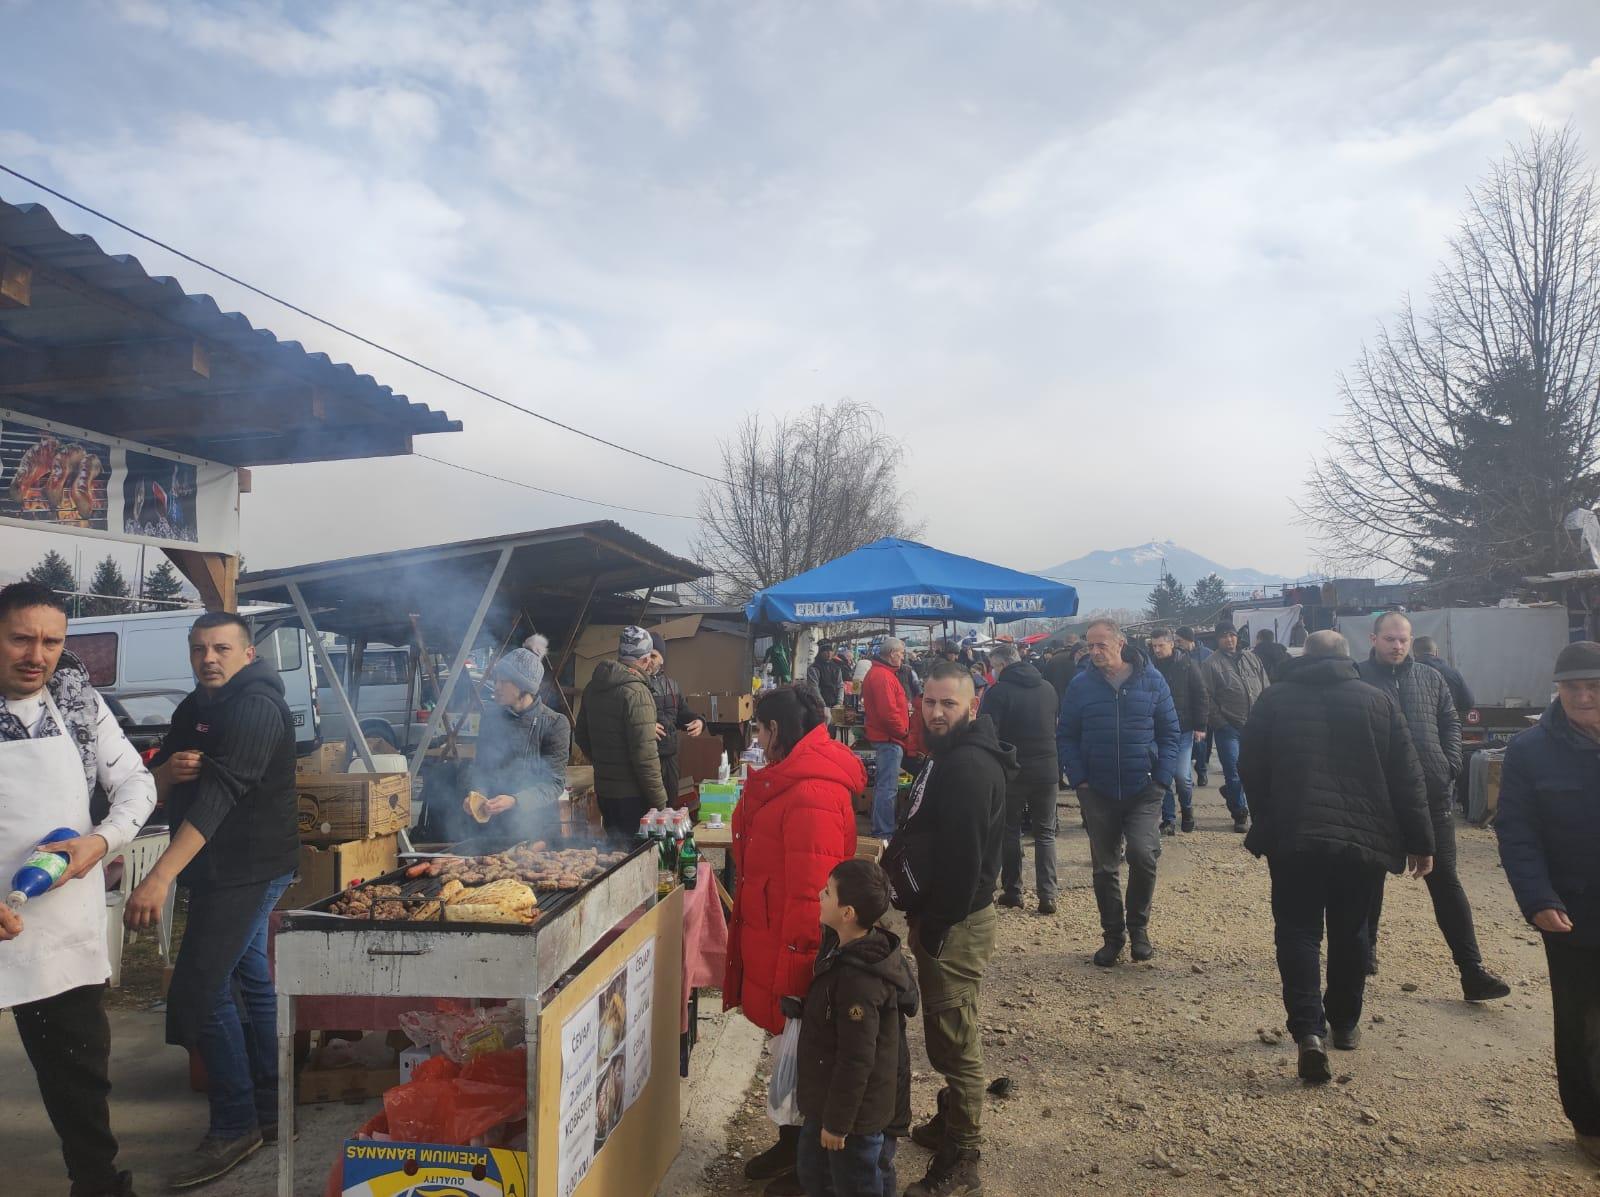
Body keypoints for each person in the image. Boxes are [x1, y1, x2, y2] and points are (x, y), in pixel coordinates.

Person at [133, 610, 299, 1187]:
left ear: (248, 654)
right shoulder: (194, 707)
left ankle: (235, 1125)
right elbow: (150, 781)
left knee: (201, 990)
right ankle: (272, 1109)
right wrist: (165, 775)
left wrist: (158, 877)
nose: (209, 658)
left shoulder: (256, 707)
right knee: (249, 975)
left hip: (246, 868)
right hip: (217, 866)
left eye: (222, 648)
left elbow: (220, 797)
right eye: (200, 648)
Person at [0, 582, 155, 1197]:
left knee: (79, 1076)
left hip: (59, 926)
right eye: (20, 638)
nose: (36, 654)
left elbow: (137, 786)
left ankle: (97, 1183)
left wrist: (103, 841)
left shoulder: (79, 703)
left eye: (51, 641)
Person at [1238, 631, 1435, 1083]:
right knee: (1352, 932)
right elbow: (1407, 776)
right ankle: (1345, 1023)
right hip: (1362, 841)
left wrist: (1270, 816)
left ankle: (1308, 1030)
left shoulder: (1273, 700)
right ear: (1350, 658)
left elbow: (1249, 765)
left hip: (1294, 837)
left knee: (1297, 931)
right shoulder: (1378, 700)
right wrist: (1421, 842)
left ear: (1302, 657)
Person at [727, 685, 862, 1196]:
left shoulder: (811, 792)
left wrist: (797, 976)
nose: (757, 739)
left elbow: (813, 897)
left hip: (794, 947)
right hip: (772, 932)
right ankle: (791, 1141)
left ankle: (807, 1163)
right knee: (793, 1055)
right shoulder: (792, 778)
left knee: (808, 1057)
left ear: (775, 731)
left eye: (758, 729)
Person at [883, 662, 1011, 1197]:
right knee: (949, 1028)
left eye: (948, 704)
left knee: (955, 1040)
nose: (936, 712)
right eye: (929, 702)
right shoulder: (950, 756)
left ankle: (966, 1157)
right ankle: (950, 1119)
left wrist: (934, 927)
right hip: (948, 918)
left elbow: (965, 861)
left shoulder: (968, 768)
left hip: (955, 923)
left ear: (971, 707)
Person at [1357, 611, 1509, 1000]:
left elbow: (1450, 722)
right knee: (1367, 881)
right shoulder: (1358, 679)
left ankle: (1472, 971)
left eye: (1403, 639)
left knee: (1445, 882)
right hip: (1378, 800)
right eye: (1389, 638)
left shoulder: (1431, 678)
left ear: (1411, 641)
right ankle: (1363, 952)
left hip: (1432, 795)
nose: (1397, 646)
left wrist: (1449, 764)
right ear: (1373, 639)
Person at [1495, 641, 1600, 1166]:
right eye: (1573, 685)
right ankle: (1590, 1124)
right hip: (1573, 912)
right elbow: (1517, 832)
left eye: (1594, 684)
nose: (1585, 694)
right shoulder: (1530, 750)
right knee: (1581, 1020)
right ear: (1557, 690)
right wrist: (1537, 898)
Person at [1057, 618, 1181, 966]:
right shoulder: (1081, 686)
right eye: (1090, 645)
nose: (1094, 651)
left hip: (1144, 788)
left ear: (1120, 644)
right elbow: (1065, 734)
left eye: (1101, 645)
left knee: (1143, 854)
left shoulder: (1152, 681)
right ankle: (1113, 936)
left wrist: (1162, 777)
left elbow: (1171, 732)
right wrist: (1078, 778)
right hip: (1097, 790)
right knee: (1104, 867)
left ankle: (1139, 929)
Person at [795, 859, 917, 1197]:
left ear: (847, 913)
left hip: (852, 1117)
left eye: (827, 892)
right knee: (814, 1170)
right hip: (833, 1102)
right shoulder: (843, 946)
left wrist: (837, 1124)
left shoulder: (859, 981)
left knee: (857, 1182)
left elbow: (857, 1058)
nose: (820, 895)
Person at [980, 641, 1060, 914]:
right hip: (1048, 768)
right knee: (1045, 833)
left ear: (1002, 666)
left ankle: (1013, 891)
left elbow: (988, 734)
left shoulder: (997, 693)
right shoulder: (1048, 688)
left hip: (1012, 770)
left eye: (993, 668)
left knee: (1009, 831)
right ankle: (1048, 894)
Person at [462, 646, 570, 839]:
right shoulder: (490, 718)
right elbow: (481, 768)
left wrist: (515, 800)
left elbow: (554, 783)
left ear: (523, 687)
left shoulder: (554, 723)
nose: (496, 687)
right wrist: (477, 793)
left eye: (504, 682)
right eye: (496, 680)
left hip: (535, 827)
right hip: (491, 825)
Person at [573, 625, 670, 834]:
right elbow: (645, 757)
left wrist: (603, 762)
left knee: (614, 854)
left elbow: (581, 734)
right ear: (645, 660)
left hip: (605, 792)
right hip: (632, 797)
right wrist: (661, 803)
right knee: (635, 858)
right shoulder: (637, 693)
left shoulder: (593, 687)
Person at [1201, 622, 1270, 832]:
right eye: (1224, 636)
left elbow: (1265, 686)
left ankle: (1239, 798)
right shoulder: (1211, 664)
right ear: (1217, 640)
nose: (1229, 639)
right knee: (1234, 772)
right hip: (1229, 728)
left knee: (1256, 772)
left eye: (1232, 635)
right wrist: (1220, 722)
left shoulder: (1251, 658)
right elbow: (1206, 697)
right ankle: (1240, 814)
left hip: (1255, 726)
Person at [1148, 629, 1210, 835]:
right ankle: (1168, 819)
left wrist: (1201, 726)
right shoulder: (1149, 668)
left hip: (1183, 729)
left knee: (1182, 776)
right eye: (1154, 646)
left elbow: (1200, 695)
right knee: (1162, 776)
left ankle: (1187, 809)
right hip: (1157, 731)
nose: (1156, 650)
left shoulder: (1187, 665)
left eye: (1160, 645)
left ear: (1171, 644)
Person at [645, 633, 706, 807]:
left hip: (671, 757)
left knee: (670, 805)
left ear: (662, 659)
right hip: (648, 757)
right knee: (649, 808)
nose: (649, 660)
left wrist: (699, 721)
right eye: (647, 655)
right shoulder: (637, 685)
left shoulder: (672, 685)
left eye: (654, 656)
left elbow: (682, 714)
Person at [861, 638, 910, 840]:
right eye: (901, 653)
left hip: (889, 737)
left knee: (886, 786)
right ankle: (883, 833)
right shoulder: (882, 676)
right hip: (889, 738)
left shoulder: (882, 674)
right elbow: (887, 712)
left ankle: (883, 829)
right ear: (892, 653)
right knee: (887, 788)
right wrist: (903, 731)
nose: (903, 656)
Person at [1176, 628, 1214, 785]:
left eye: (1179, 640)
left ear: (1188, 639)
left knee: (1200, 743)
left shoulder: (1208, 655)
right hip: (1185, 707)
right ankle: (1187, 778)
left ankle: (1202, 771)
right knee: (1185, 748)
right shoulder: (1177, 657)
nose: (1177, 644)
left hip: (1203, 704)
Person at [1413, 635, 1475, 718]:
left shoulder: (1408, 674)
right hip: (1448, 726)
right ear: (1436, 652)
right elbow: (1468, 702)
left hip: (1419, 726)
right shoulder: (1453, 673)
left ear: (1414, 654)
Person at [807, 640, 847, 708]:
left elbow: (840, 685)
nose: (829, 653)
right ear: (820, 652)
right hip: (818, 705)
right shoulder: (814, 668)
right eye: (825, 651)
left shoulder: (836, 667)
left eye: (830, 650)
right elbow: (814, 687)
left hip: (835, 704)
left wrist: (839, 702)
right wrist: (823, 705)